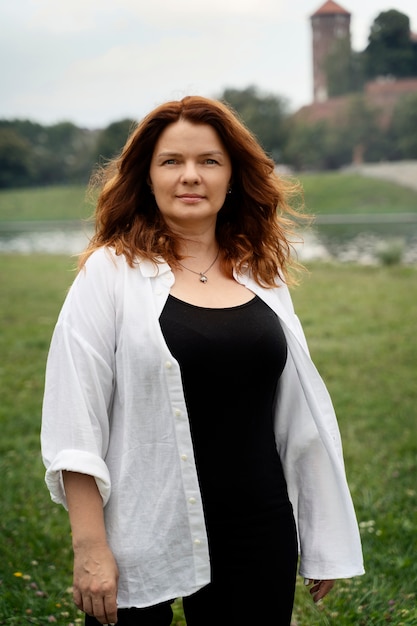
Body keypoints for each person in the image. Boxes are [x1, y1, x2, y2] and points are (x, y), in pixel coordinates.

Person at [41, 95, 364, 626]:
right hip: (142, 524)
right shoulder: (109, 273)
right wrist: (90, 547)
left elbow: (295, 417)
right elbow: (75, 419)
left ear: (232, 176)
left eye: (208, 161)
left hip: (259, 528)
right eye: (171, 161)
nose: (190, 176)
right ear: (147, 177)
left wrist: (317, 529)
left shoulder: (261, 274)